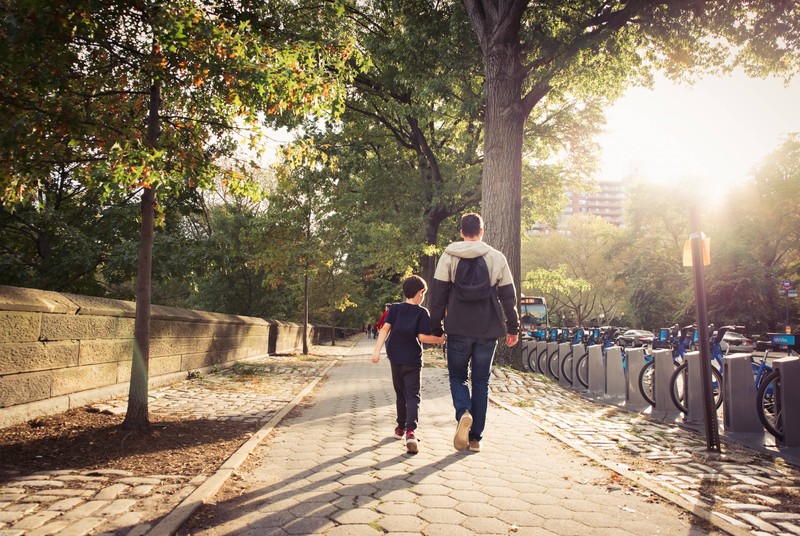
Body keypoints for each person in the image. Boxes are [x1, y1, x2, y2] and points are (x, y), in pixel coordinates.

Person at [429, 213, 519, 453]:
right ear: (482, 231)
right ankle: (475, 438)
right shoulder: (497, 258)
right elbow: (508, 297)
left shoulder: (448, 257)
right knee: (481, 381)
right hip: (487, 329)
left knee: (457, 377)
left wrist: (436, 327)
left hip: (458, 327)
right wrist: (513, 327)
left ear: (460, 232)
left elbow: (437, 296)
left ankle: (463, 412)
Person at [372, 275, 445, 454]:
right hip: (412, 359)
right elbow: (422, 337)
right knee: (413, 396)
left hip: (395, 358)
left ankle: (400, 427)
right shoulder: (422, 312)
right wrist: (439, 339)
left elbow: (384, 329)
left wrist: (376, 351)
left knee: (400, 393)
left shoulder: (395, 309)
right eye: (423, 293)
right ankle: (411, 432)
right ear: (420, 293)